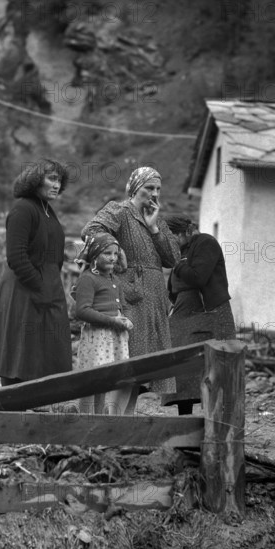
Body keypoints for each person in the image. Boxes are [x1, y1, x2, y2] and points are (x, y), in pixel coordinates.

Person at [81, 166, 180, 394]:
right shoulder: (120, 211)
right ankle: (114, 417)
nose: (154, 194)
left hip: (155, 298)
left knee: (144, 372)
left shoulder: (158, 221)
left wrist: (154, 228)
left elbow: (173, 259)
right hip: (131, 293)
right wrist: (117, 250)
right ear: (135, 188)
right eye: (149, 188)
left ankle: (128, 417)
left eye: (158, 189)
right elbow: (90, 230)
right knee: (128, 363)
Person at [0, 159, 73, 386]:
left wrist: (51, 285)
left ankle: (34, 409)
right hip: (24, 289)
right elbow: (17, 257)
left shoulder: (47, 210)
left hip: (48, 288)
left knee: (46, 352)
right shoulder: (23, 209)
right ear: (35, 180)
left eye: (59, 180)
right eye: (51, 178)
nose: (56, 184)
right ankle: (12, 412)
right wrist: (39, 285)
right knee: (19, 355)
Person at [163, 214, 236, 413]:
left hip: (209, 315)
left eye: (174, 237)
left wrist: (176, 263)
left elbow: (198, 277)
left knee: (212, 370)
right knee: (182, 369)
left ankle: (214, 429)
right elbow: (174, 287)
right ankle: (185, 426)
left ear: (187, 231)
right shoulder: (183, 250)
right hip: (184, 316)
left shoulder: (205, 242)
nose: (173, 243)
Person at [73, 233, 135, 415]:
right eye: (107, 253)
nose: (112, 258)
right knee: (93, 379)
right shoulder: (88, 279)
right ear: (94, 255)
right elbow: (82, 311)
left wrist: (126, 318)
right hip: (97, 337)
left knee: (109, 380)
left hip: (116, 337)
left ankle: (101, 420)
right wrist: (111, 321)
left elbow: (123, 306)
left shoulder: (115, 280)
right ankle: (86, 419)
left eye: (115, 254)